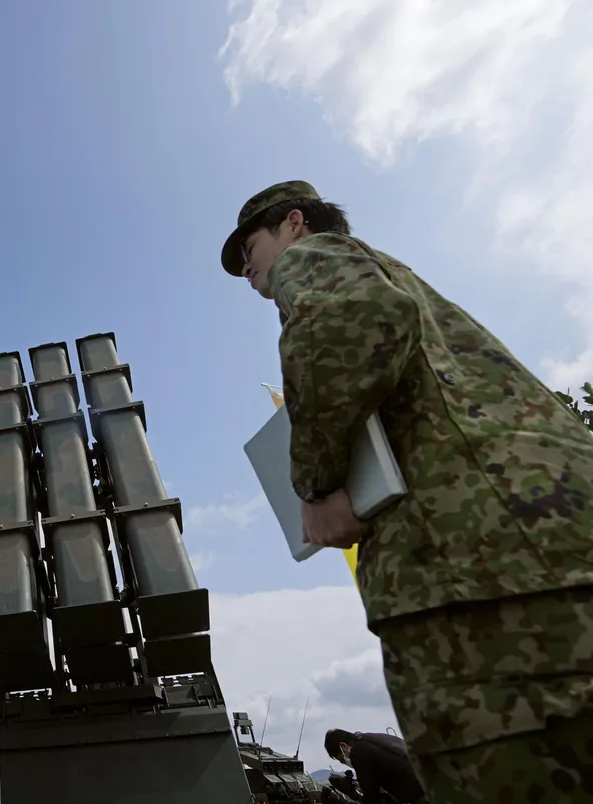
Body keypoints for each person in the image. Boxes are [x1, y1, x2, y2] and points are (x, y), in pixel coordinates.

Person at [221, 181, 593, 801]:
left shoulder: (313, 258)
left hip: (478, 572)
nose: (248, 270)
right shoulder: (397, 275)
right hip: (541, 544)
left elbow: (351, 318)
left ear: (293, 224)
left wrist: (316, 486)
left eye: (249, 248)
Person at [325, 729, 424, 803]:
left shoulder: (358, 751)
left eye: (342, 759)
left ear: (343, 747)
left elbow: (371, 795)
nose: (345, 761)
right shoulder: (373, 738)